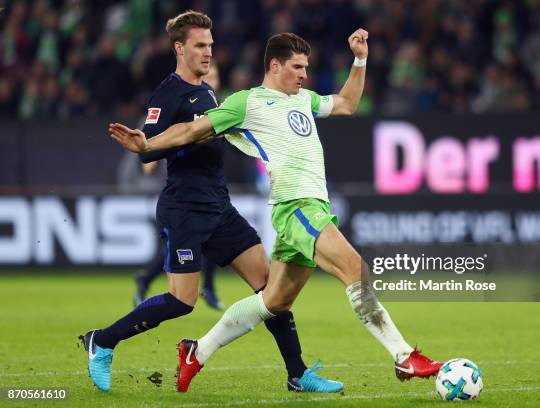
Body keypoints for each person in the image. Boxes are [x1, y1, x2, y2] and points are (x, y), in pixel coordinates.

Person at [109, 29, 444, 392]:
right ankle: (404, 355)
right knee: (355, 269)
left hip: (313, 207)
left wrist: (359, 60)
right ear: (275, 65)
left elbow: (347, 103)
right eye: (297, 67)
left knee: (272, 301)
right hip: (295, 206)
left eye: (306, 68)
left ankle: (197, 351)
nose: (304, 75)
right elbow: (193, 130)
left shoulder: (304, 100)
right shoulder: (247, 103)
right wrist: (148, 143)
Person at [83, 11, 342, 394]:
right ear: (180, 48)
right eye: (200, 46)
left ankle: (297, 374)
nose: (208, 52)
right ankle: (102, 341)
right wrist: (173, 141)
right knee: (181, 301)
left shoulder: (207, 92)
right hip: (184, 206)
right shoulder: (167, 93)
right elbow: (148, 150)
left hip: (219, 206)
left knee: (270, 288)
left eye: (210, 45)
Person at [132, 62, 224, 310]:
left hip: (210, 189)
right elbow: (147, 159)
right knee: (185, 249)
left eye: (215, 76)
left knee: (212, 239)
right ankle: (147, 278)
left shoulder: (217, 106)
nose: (211, 79)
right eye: (209, 74)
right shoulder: (177, 101)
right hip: (178, 191)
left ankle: (210, 288)